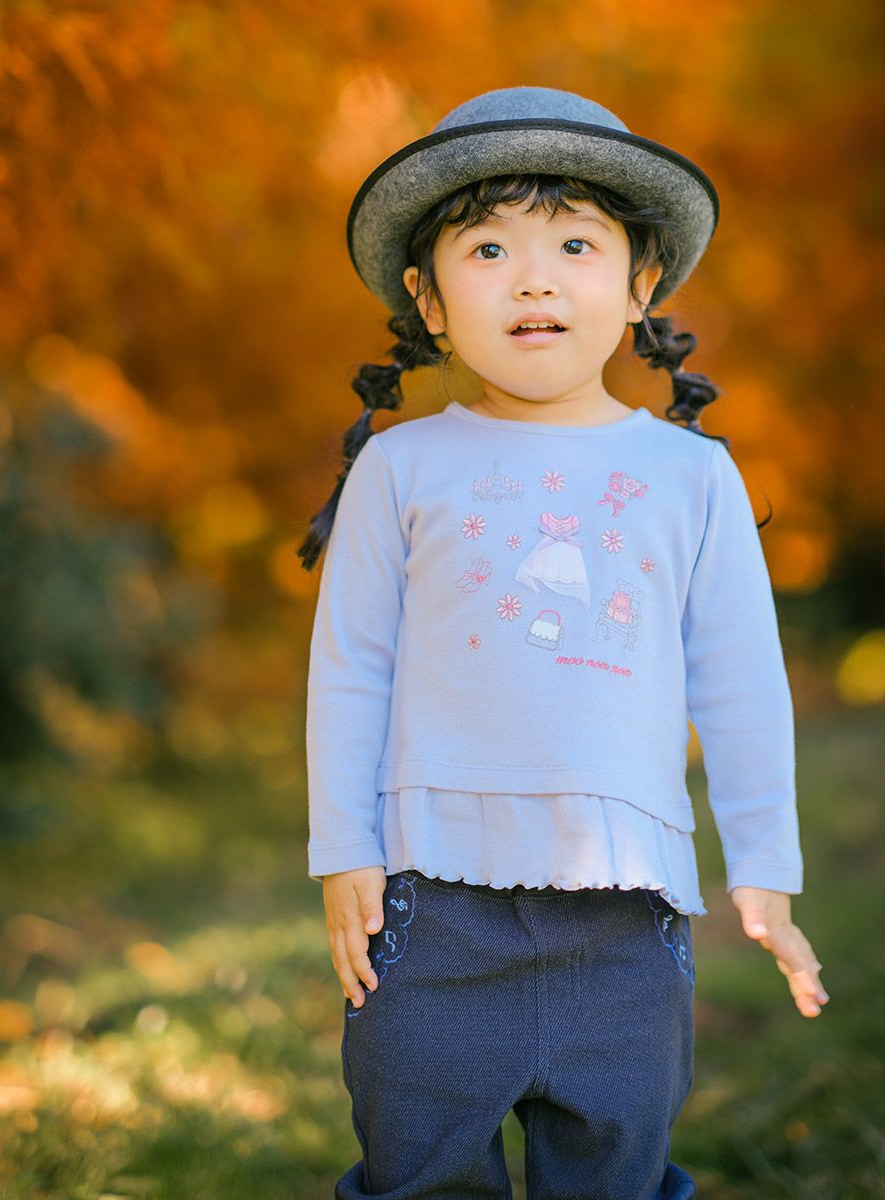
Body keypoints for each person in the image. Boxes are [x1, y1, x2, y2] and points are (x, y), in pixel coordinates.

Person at [296, 85, 829, 1200]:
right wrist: (345, 849)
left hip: (625, 922)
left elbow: (742, 686)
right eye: (488, 249)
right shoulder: (399, 468)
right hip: (429, 909)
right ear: (428, 301)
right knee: (418, 1172)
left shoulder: (692, 476)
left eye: (575, 245)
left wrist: (764, 871)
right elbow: (351, 671)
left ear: (640, 287)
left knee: (613, 1177)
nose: (533, 279)